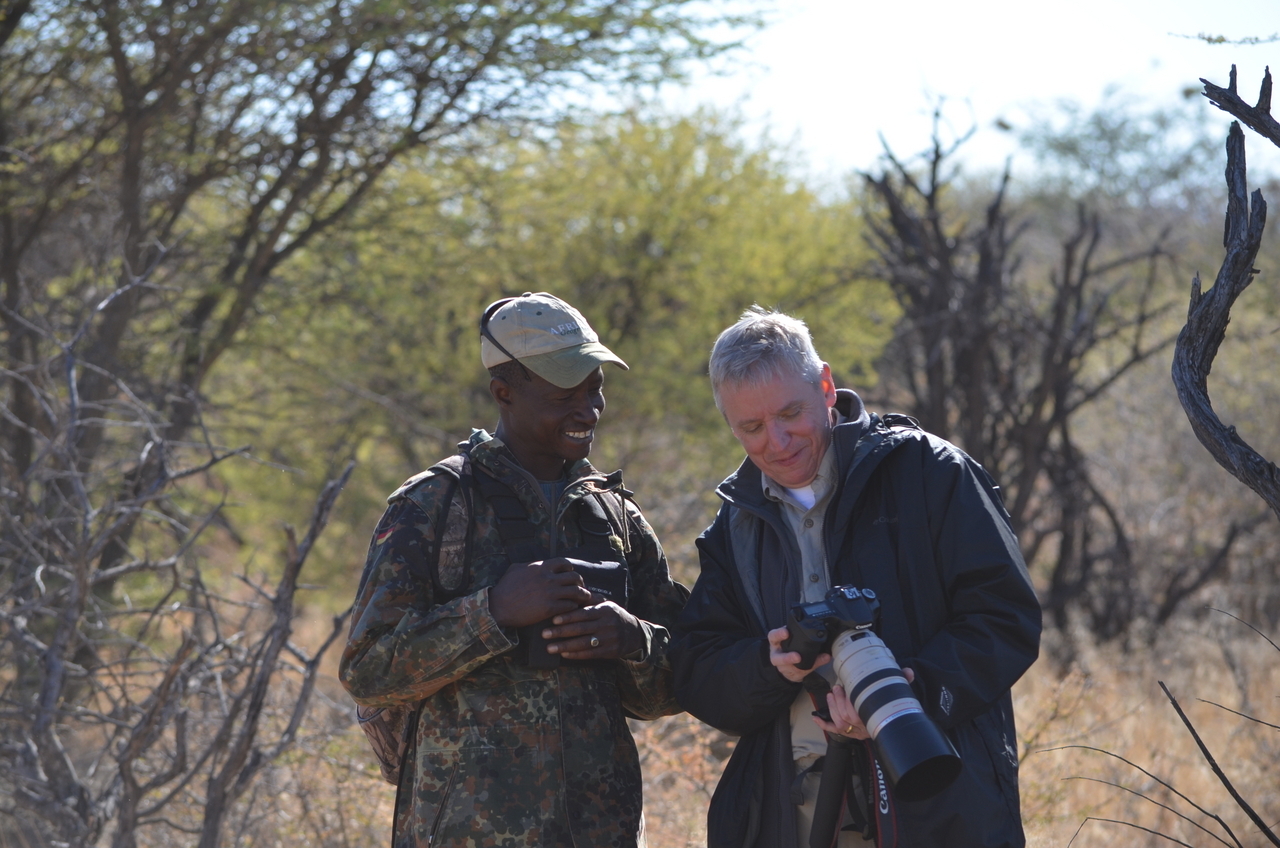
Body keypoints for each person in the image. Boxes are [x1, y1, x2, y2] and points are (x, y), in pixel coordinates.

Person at [670, 307, 1041, 848]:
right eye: (750, 427)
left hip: (934, 801)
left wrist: (913, 690)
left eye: (790, 413)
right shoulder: (736, 523)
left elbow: (1006, 617)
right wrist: (770, 666)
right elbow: (698, 670)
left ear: (825, 387)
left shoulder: (931, 471)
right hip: (790, 815)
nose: (777, 441)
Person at [340, 292, 688, 848]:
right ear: (504, 393)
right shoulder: (433, 506)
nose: (589, 409)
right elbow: (368, 670)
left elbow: (672, 687)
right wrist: (493, 612)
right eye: (564, 394)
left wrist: (633, 639)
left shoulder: (616, 516)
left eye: (595, 387)